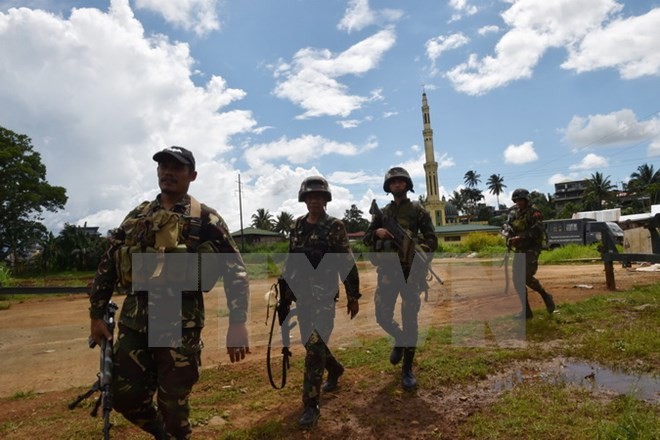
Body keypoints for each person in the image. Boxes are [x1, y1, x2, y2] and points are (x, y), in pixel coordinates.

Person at [89, 146, 250, 439]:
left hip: (180, 325)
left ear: (192, 175)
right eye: (162, 166)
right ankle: (162, 434)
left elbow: (235, 270)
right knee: (124, 395)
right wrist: (96, 314)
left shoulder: (206, 219)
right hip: (135, 321)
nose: (167, 172)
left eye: (176, 167)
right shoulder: (138, 215)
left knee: (173, 406)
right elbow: (109, 263)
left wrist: (237, 323)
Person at [281, 176, 360, 428]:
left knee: (314, 349)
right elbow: (291, 262)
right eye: (310, 196)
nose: (314, 200)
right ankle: (335, 368)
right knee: (310, 342)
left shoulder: (335, 226)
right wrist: (284, 292)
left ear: (326, 200)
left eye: (319, 196)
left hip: (325, 296)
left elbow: (346, 262)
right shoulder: (296, 227)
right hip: (302, 297)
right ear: (303, 199)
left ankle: (311, 405)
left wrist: (353, 295)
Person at [363, 167, 437, 391]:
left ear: (407, 184)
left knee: (410, 319)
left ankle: (407, 370)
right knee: (382, 316)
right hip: (387, 272)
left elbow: (432, 241)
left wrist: (414, 248)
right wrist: (378, 233)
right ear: (388, 187)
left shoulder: (418, 210)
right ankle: (400, 339)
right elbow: (366, 239)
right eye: (392, 182)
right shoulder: (382, 214)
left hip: (410, 273)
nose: (396, 185)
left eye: (400, 181)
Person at [504, 188, 556, 319]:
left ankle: (545, 295)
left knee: (526, 277)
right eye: (517, 200)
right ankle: (526, 312)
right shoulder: (513, 212)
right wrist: (508, 234)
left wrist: (521, 237)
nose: (519, 203)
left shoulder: (535, 212)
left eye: (521, 200)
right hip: (520, 250)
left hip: (532, 249)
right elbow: (507, 226)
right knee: (517, 281)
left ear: (527, 200)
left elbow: (537, 231)